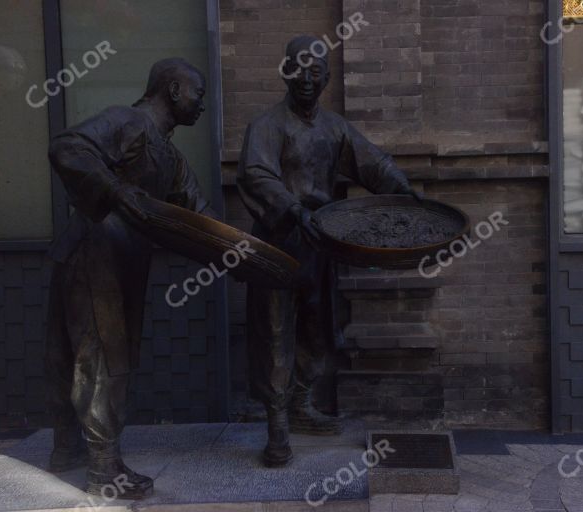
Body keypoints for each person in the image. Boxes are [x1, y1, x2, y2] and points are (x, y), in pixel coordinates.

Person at [237, 36, 420, 467]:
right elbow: (256, 175)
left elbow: (372, 163)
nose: (306, 78)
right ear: (285, 72)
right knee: (276, 335)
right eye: (299, 69)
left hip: (319, 247)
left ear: (327, 78)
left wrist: (405, 193)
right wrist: (292, 209)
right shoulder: (265, 126)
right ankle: (277, 425)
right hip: (277, 245)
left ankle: (302, 404)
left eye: (316, 71)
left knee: (316, 331)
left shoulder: (335, 128)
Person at [46, 58, 215, 498]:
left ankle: (68, 449)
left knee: (83, 355)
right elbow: (67, 146)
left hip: (122, 261)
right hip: (94, 254)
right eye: (199, 92)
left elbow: (200, 215)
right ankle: (102, 469)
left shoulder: (170, 157)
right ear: (174, 89)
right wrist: (117, 190)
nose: (203, 104)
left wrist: (245, 252)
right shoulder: (127, 120)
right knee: (103, 356)